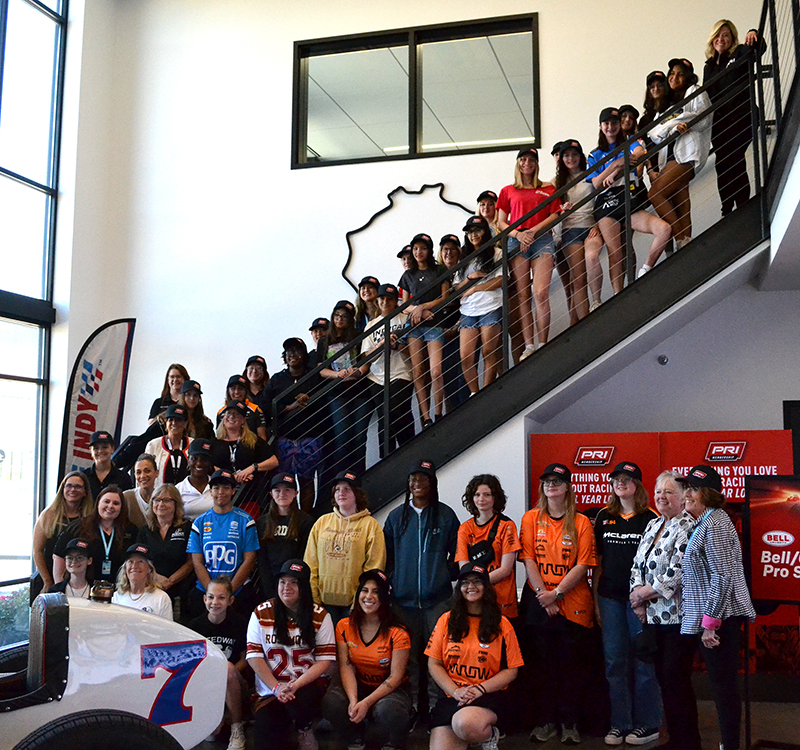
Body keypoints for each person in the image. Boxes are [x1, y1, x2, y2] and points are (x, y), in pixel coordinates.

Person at [519, 463, 597, 745]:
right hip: (539, 603)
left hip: (572, 604)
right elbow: (528, 558)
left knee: (571, 668)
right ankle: (546, 721)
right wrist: (545, 595)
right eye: (547, 481)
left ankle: (570, 723)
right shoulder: (531, 518)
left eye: (557, 481)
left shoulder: (581, 522)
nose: (551, 485)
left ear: (567, 488)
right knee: (542, 667)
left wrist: (558, 594)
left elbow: (583, 564)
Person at [681, 464, 756, 750]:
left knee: (724, 689)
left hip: (722, 619)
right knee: (721, 687)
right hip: (713, 618)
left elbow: (722, 576)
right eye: (687, 488)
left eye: (695, 489)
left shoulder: (716, 523)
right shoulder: (706, 521)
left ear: (710, 494)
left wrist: (710, 623)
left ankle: (730, 745)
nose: (687, 494)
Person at [629, 471, 701, 750]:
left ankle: (689, 743)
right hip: (652, 617)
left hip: (678, 619)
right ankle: (675, 740)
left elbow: (678, 572)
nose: (661, 497)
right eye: (659, 492)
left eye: (669, 492)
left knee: (676, 682)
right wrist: (638, 599)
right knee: (664, 681)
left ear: (683, 498)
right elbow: (637, 565)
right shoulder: (653, 524)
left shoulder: (688, 526)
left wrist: (643, 594)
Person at [383, 459, 459, 719]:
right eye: (413, 479)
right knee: (409, 659)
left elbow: (457, 554)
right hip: (402, 603)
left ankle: (437, 708)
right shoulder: (396, 517)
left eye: (423, 479)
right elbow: (386, 556)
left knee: (437, 656)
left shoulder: (446, 515)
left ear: (432, 483)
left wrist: (443, 575)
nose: (417, 483)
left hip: (438, 602)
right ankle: (413, 707)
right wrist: (394, 578)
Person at [592, 462, 661, 746]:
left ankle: (648, 724)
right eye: (616, 479)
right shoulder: (603, 516)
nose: (620, 483)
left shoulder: (651, 517)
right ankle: (620, 724)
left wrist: (646, 600)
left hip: (640, 602)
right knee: (614, 663)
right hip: (609, 599)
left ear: (638, 485)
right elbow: (597, 564)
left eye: (626, 479)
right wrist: (596, 602)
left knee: (644, 662)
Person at [425, 563, 523, 750]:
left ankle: (488, 735)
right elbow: (434, 664)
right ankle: (469, 736)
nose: (471, 586)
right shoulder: (446, 619)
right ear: (459, 588)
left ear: (486, 587)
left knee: (465, 723)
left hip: (486, 696)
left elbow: (512, 670)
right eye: (465, 582)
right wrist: (455, 691)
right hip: (453, 696)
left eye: (477, 581)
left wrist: (479, 689)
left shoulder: (502, 623)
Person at [246, 559, 337, 750]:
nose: (287, 587)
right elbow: (254, 657)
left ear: (303, 587)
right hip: (272, 689)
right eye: (283, 582)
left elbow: (324, 661)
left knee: (300, 703)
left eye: (294, 582)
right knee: (265, 742)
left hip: (305, 686)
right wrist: (276, 687)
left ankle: (305, 727)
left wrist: (295, 685)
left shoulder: (320, 615)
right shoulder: (261, 613)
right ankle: (287, 726)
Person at [322, 569, 412, 750]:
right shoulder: (344, 625)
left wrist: (367, 703)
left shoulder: (398, 632)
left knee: (388, 710)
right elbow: (346, 666)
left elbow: (395, 677)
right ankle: (354, 736)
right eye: (364, 590)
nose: (369, 596)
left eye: (376, 592)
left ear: (384, 598)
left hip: (390, 691)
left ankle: (393, 740)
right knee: (332, 701)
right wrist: (354, 700)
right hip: (358, 684)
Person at [588, 108, 671, 288]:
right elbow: (596, 183)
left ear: (620, 125)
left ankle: (645, 270)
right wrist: (615, 165)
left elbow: (640, 153)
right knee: (616, 254)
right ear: (600, 126)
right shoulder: (595, 154)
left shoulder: (630, 141)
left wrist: (618, 169)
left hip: (629, 197)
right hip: (606, 203)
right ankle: (618, 296)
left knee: (664, 229)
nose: (610, 127)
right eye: (606, 123)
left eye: (614, 123)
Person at [497, 147, 562, 358]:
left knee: (540, 292)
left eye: (531, 160)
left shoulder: (548, 188)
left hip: (541, 238)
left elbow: (555, 214)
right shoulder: (507, 190)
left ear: (536, 164)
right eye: (523, 159)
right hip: (516, 241)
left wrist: (532, 232)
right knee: (523, 294)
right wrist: (518, 235)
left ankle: (542, 342)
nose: (527, 163)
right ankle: (529, 345)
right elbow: (501, 222)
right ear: (518, 163)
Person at [304, 471, 386, 623]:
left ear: (357, 494)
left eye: (347, 489)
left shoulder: (370, 526)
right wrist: (314, 599)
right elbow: (310, 563)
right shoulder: (321, 522)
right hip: (323, 603)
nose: (341, 493)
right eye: (337, 489)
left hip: (355, 606)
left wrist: (361, 600)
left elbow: (373, 568)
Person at [648, 58, 712, 250]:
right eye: (672, 74)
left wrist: (672, 125)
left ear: (689, 77)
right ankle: (686, 244)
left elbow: (702, 119)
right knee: (681, 198)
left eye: (680, 74)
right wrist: (673, 126)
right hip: (668, 156)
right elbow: (654, 133)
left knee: (655, 194)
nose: (674, 77)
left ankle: (679, 238)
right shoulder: (667, 102)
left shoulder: (696, 92)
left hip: (687, 154)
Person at [703, 21, 763, 216]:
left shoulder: (739, 53)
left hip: (742, 118)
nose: (721, 39)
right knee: (722, 164)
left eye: (726, 35)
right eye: (717, 35)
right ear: (712, 40)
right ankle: (727, 210)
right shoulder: (709, 66)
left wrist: (754, 33)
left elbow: (758, 49)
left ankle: (743, 208)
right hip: (720, 125)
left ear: (733, 38)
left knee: (735, 160)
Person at [188, 576, 250, 750]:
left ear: (230, 601)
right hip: (207, 685)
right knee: (211, 735)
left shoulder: (241, 623)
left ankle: (237, 728)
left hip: (235, 681)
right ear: (204, 599)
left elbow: (246, 659)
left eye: (221, 598)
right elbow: (193, 663)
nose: (215, 602)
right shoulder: (195, 626)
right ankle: (213, 718)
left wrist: (224, 673)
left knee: (227, 668)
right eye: (211, 597)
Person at [188, 469, 259, 617]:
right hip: (205, 592)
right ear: (210, 491)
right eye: (216, 488)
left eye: (226, 488)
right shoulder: (199, 522)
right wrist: (213, 595)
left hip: (237, 591)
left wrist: (227, 593)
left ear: (233, 491)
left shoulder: (245, 520)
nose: (221, 492)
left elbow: (250, 559)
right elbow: (197, 562)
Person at [270, 337, 328, 513]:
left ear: (304, 354)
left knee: (307, 481)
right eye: (289, 352)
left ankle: (305, 519)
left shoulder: (314, 375)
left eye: (296, 351)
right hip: (285, 439)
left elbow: (325, 403)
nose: (292, 355)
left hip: (310, 437)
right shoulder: (277, 379)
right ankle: (289, 518)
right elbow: (267, 406)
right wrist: (289, 407)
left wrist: (308, 401)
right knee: (285, 484)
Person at [358, 283, 415, 456]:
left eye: (389, 299)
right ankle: (387, 455)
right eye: (382, 298)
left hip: (402, 372)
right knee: (385, 415)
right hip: (376, 377)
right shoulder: (371, 325)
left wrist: (397, 345)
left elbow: (416, 351)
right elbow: (367, 356)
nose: (385, 302)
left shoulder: (405, 319)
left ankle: (407, 450)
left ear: (395, 301)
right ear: (377, 301)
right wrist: (381, 345)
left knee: (396, 409)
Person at [317, 300, 373, 476]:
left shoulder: (359, 335)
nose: (340, 319)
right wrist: (337, 375)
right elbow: (321, 369)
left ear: (350, 319)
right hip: (337, 393)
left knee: (360, 437)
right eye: (337, 315)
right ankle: (343, 477)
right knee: (342, 437)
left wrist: (358, 372)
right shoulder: (324, 340)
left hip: (360, 392)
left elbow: (367, 360)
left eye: (344, 316)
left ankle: (360, 476)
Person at [400, 233, 449, 428]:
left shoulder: (439, 270)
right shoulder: (407, 274)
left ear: (429, 250)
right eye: (415, 248)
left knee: (436, 370)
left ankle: (438, 412)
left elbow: (445, 297)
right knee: (418, 372)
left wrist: (424, 307)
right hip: (414, 326)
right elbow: (404, 305)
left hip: (434, 323)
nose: (418, 252)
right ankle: (426, 417)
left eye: (423, 248)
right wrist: (417, 310)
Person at [455, 474, 520, 620]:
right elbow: (464, 568)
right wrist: (475, 586)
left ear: (495, 497)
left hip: (502, 601)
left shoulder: (507, 526)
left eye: (487, 495)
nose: (481, 499)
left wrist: (478, 583)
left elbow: (505, 569)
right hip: (474, 601)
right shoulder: (464, 529)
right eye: (477, 495)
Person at [454, 217, 503, 394]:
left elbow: (501, 279)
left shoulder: (496, 252)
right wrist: (470, 278)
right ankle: (475, 393)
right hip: (468, 310)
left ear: (485, 232)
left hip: (491, 306)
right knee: (465, 356)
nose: (473, 235)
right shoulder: (463, 258)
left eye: (477, 230)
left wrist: (476, 289)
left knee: (488, 351)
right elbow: (456, 288)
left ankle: (487, 392)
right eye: (470, 232)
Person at [52, 484, 137, 584]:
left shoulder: (130, 530)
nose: (110, 506)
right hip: (83, 587)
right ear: (98, 503)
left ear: (121, 507)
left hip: (120, 588)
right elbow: (58, 556)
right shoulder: (78, 527)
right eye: (106, 501)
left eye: (116, 503)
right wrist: (59, 586)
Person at [211, 400, 279, 519]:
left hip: (250, 495)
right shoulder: (214, 442)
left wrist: (252, 468)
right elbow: (209, 466)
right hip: (222, 495)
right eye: (228, 413)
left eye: (236, 414)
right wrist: (231, 476)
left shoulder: (254, 441)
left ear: (243, 420)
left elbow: (273, 461)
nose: (231, 417)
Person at [136, 483, 193, 618]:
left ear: (176, 504)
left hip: (181, 590)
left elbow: (191, 562)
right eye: (157, 500)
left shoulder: (187, 527)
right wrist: (156, 577)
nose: (161, 504)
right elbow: (139, 560)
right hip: (151, 589)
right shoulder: (145, 530)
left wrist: (170, 581)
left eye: (167, 500)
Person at [31, 470, 93, 596]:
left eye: (78, 486)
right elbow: (37, 551)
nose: (73, 490)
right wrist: (47, 581)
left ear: (85, 491)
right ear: (62, 489)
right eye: (69, 486)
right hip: (48, 578)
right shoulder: (48, 515)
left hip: (80, 582)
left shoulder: (90, 518)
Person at [257, 473, 314, 600]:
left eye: (287, 490)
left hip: (295, 582)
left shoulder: (306, 521)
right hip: (269, 583)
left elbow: (304, 555)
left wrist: (294, 582)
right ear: (271, 494)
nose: (282, 494)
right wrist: (269, 588)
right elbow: (262, 558)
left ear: (296, 493)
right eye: (277, 490)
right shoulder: (262, 522)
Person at [555, 139, 592, 321]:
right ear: (561, 159)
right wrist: (561, 208)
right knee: (579, 279)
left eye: (575, 154)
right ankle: (584, 322)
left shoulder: (591, 174)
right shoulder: (557, 182)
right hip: (570, 231)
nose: (571, 158)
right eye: (567, 155)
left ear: (581, 156)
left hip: (592, 228)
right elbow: (551, 210)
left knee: (593, 267)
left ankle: (594, 307)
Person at [437, 235, 470, 412]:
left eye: (452, 249)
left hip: (463, 328)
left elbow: (470, 302)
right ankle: (452, 415)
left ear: (459, 251)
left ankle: (465, 411)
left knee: (463, 374)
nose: (448, 253)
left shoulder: (464, 272)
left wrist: (456, 327)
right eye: (445, 249)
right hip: (441, 334)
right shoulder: (436, 275)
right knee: (447, 378)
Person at [111, 542, 173, 619]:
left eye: (140, 562)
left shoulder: (161, 598)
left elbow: (166, 626)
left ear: (149, 568)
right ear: (125, 568)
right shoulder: (117, 596)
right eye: (130, 561)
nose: (134, 566)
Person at [144, 404, 193, 486]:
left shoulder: (192, 444)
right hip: (159, 492)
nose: (174, 423)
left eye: (178, 420)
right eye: (170, 420)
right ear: (165, 423)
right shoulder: (153, 445)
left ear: (185, 424)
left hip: (186, 493)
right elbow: (145, 471)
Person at [217, 374, 269, 442]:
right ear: (228, 391)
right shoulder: (221, 411)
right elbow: (219, 436)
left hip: (250, 445)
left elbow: (262, 437)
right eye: (233, 388)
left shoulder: (255, 409)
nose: (236, 392)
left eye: (240, 389)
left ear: (246, 391)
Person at [84, 430, 133, 498]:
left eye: (105, 447)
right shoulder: (83, 477)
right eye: (96, 448)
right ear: (91, 451)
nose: (100, 451)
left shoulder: (124, 478)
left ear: (112, 449)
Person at [175, 438, 215, 520]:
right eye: (194, 458)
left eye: (204, 459)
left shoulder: (217, 486)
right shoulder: (178, 490)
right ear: (188, 460)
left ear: (210, 462)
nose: (199, 463)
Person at [123, 453, 157, 528]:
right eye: (138, 472)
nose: (143, 476)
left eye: (147, 471)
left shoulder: (162, 498)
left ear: (157, 473)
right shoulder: (126, 498)